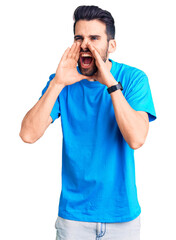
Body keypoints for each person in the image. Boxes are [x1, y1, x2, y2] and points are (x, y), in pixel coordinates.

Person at [19, 5, 157, 240]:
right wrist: (57, 83)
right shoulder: (62, 82)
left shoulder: (134, 79)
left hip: (122, 217)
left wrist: (111, 84)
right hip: (73, 219)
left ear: (111, 45)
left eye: (94, 38)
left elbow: (136, 138)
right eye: (79, 38)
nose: (85, 45)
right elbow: (28, 134)